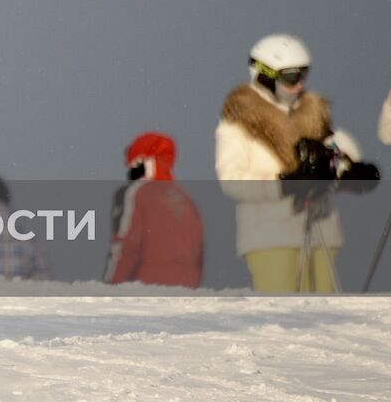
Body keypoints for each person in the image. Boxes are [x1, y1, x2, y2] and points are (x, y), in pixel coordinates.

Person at [215, 34, 380, 292]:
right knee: (285, 316)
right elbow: (232, 180)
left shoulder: (313, 116)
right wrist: (284, 185)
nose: (299, 84)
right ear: (265, 76)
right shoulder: (240, 123)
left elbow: (337, 151)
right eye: (291, 77)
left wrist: (352, 174)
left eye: (304, 75)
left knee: (326, 316)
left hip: (321, 231)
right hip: (270, 235)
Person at [104, 131, 204, 288]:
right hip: (185, 291)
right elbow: (198, 253)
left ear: (139, 161)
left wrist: (110, 288)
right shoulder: (186, 199)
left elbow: (126, 247)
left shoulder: (136, 193)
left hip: (144, 288)